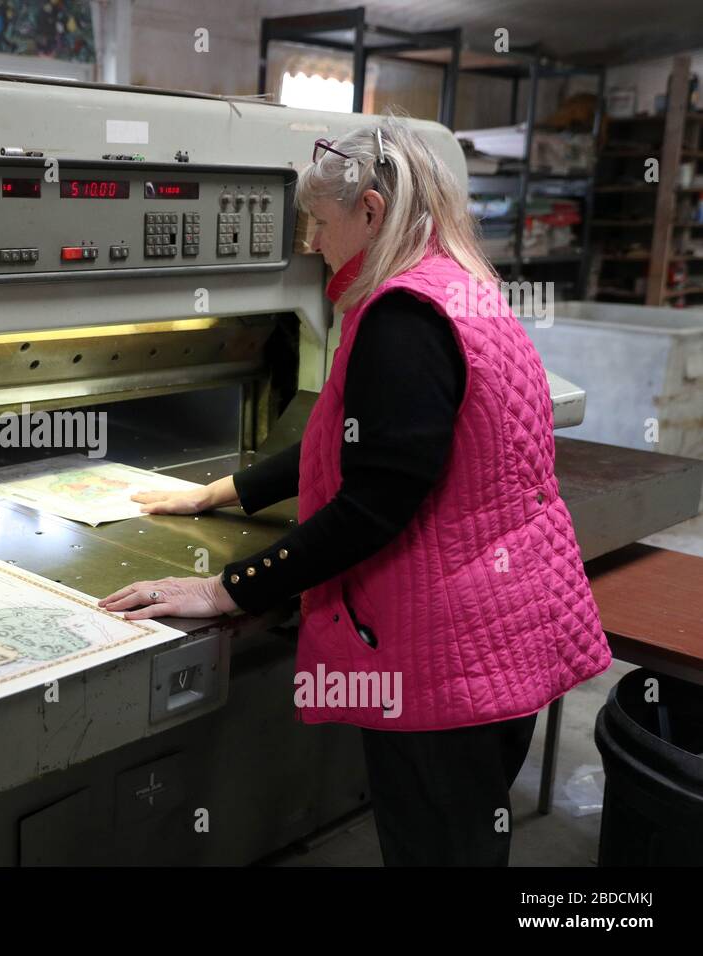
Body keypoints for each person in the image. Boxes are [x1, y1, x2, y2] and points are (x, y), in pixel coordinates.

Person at [98, 117, 611, 866]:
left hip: (445, 662)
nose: (310, 242)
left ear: (370, 211)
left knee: (439, 850)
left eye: (319, 221)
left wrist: (229, 590)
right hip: (502, 636)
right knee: (463, 838)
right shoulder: (458, 287)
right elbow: (373, 441)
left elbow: (375, 504)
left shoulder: (402, 318)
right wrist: (226, 490)